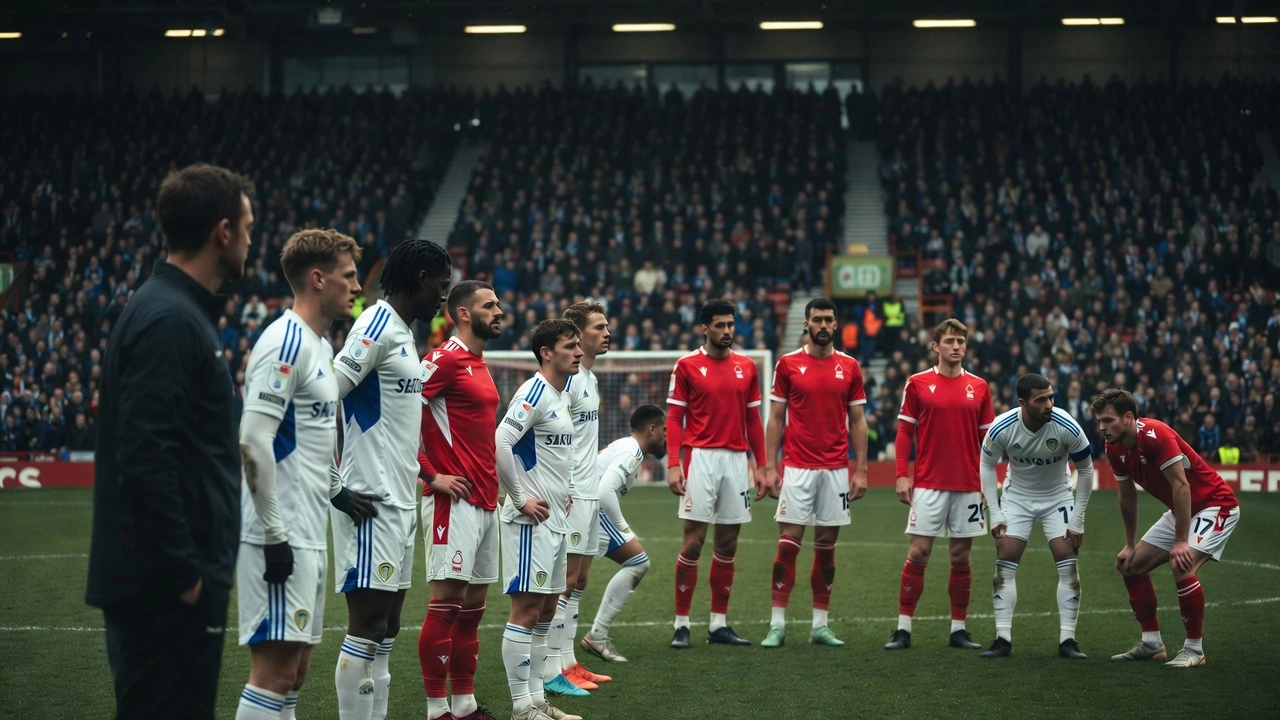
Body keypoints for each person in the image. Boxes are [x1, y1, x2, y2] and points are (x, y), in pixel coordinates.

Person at [85, 163, 252, 719]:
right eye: (248, 228)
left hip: (168, 583)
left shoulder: (175, 311)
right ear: (223, 232)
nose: (251, 241)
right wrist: (184, 574)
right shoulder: (169, 319)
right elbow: (144, 454)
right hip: (164, 591)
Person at [234, 229, 381, 719]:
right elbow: (253, 440)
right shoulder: (284, 341)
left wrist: (335, 490)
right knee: (272, 674)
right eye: (349, 276)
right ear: (318, 279)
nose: (358, 286)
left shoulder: (318, 345)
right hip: (279, 534)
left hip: (308, 532)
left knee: (294, 673)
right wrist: (275, 534)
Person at [330, 238, 453, 720]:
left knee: (388, 627)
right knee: (367, 626)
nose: (444, 297)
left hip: (401, 501)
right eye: (442, 287)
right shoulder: (376, 324)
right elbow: (325, 395)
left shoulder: (403, 332)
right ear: (421, 279)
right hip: (370, 500)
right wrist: (334, 485)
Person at [1091, 388, 1241, 668]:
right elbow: (1127, 495)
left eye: (1107, 420)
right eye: (1099, 421)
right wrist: (1129, 544)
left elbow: (1181, 486)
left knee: (1181, 564)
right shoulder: (1113, 448)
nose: (1102, 427)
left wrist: (1182, 541)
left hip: (1215, 504)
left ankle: (1194, 649)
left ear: (1127, 417)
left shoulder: (1157, 435)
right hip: (1181, 510)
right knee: (1130, 565)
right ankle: (1151, 642)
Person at [415, 280, 506, 720]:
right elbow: (399, 416)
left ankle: (465, 703)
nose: (499, 309)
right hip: (453, 502)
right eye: (490, 304)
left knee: (472, 611)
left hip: (486, 501)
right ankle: (437, 710)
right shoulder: (443, 358)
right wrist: (432, 475)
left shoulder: (480, 364)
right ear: (464, 313)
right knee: (446, 603)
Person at [759, 298, 869, 648]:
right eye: (817, 319)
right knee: (788, 546)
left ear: (836, 325)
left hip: (836, 470)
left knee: (826, 549)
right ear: (806, 324)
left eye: (828, 320)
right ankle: (777, 624)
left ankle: (819, 625)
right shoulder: (788, 364)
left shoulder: (850, 367)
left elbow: (857, 420)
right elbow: (776, 417)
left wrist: (862, 469)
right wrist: (770, 465)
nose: (823, 325)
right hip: (797, 468)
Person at [886, 318, 994, 651]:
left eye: (961, 341)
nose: (956, 346)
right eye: (949, 341)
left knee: (961, 557)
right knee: (918, 552)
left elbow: (987, 442)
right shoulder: (917, 383)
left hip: (968, 484)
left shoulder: (980, 387)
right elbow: (905, 431)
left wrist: (989, 485)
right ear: (936, 346)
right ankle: (903, 629)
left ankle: (958, 630)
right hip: (929, 483)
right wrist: (901, 474)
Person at [666, 298, 768, 649]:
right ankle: (681, 624)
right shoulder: (687, 366)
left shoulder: (747, 367)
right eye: (720, 325)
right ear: (704, 328)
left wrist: (763, 465)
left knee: (727, 543)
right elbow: (674, 418)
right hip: (700, 459)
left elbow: (753, 419)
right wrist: (673, 463)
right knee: (693, 541)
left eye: (731, 324)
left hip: (737, 462)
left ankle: (718, 625)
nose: (727, 331)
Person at [496, 319, 585, 720]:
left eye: (579, 345)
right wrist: (520, 499)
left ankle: (536, 702)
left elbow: (551, 456)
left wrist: (561, 493)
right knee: (527, 610)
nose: (579, 352)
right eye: (570, 346)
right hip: (530, 523)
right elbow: (501, 441)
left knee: (548, 608)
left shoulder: (561, 395)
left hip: (555, 518)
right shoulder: (534, 391)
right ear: (547, 352)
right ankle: (521, 708)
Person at [976, 373, 1094, 660]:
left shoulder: (1066, 424)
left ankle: (1068, 640)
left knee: (1067, 560)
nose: (1049, 404)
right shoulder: (1002, 427)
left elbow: (1087, 470)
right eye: (1041, 400)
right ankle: (1003, 638)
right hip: (1017, 498)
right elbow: (986, 464)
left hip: (1058, 497)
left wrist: (1077, 519)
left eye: (1051, 397)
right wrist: (996, 511)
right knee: (1005, 558)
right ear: (1023, 403)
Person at [544, 302, 613, 695]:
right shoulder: (566, 380)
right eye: (599, 327)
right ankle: (553, 669)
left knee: (580, 578)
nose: (607, 333)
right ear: (578, 333)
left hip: (589, 490)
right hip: (569, 492)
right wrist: (565, 487)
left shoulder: (589, 378)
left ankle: (568, 661)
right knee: (563, 582)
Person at [580, 405, 669, 662]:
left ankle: (565, 650)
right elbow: (605, 490)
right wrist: (625, 528)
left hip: (582, 509)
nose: (666, 436)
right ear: (652, 430)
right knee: (638, 562)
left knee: (573, 582)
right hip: (591, 510)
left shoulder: (626, 447)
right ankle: (591, 638)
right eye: (663, 430)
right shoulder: (631, 452)